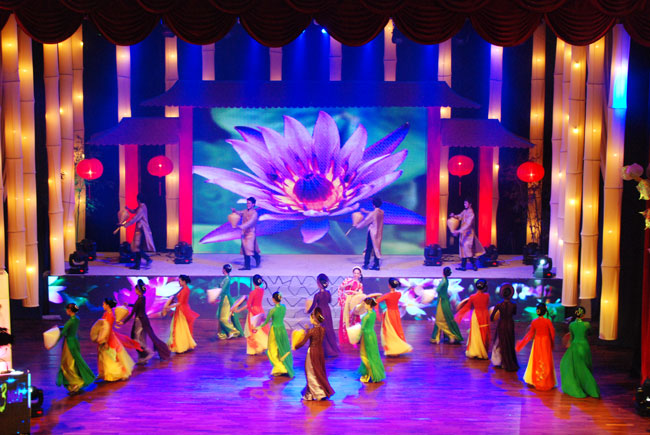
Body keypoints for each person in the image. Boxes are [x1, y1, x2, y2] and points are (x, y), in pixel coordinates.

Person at [119, 280, 171, 364]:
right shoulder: (142, 298)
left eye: (135, 289)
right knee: (139, 338)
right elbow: (136, 307)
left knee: (136, 339)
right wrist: (128, 304)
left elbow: (133, 312)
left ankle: (147, 353)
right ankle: (143, 357)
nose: (135, 291)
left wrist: (123, 322)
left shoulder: (140, 299)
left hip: (140, 320)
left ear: (138, 290)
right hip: (142, 319)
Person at [294, 308, 335, 401]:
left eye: (311, 317)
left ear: (314, 319)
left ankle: (317, 393)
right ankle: (315, 392)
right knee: (318, 372)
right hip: (320, 352)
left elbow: (302, 342)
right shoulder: (323, 329)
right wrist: (307, 329)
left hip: (312, 352)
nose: (310, 319)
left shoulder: (311, 331)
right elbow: (316, 336)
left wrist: (295, 347)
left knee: (311, 373)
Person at [97, 298, 142, 382]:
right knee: (105, 355)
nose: (102, 305)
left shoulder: (110, 316)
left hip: (108, 337)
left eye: (103, 304)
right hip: (105, 336)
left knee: (110, 355)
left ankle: (114, 374)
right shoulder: (106, 314)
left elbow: (108, 329)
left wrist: (106, 341)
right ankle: (106, 373)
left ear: (107, 305)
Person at [560, 307, 600, 398]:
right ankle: (589, 388)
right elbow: (590, 333)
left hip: (575, 347)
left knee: (577, 368)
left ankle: (579, 386)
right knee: (585, 367)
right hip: (584, 346)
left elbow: (571, 338)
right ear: (583, 315)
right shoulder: (586, 324)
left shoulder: (571, 325)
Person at [516, 302, 556, 391]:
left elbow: (530, 334)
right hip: (546, 342)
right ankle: (546, 380)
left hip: (537, 342)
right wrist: (552, 343)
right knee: (546, 359)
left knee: (536, 359)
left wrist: (522, 343)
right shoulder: (548, 321)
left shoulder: (534, 321)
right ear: (545, 311)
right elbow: (552, 333)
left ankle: (536, 379)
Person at [56, 303, 95, 394]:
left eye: (67, 309)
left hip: (69, 343)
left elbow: (63, 332)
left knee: (68, 364)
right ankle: (75, 382)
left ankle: (76, 382)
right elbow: (68, 328)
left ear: (69, 310)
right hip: (75, 340)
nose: (66, 311)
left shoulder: (70, 321)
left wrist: (53, 342)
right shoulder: (76, 319)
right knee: (75, 361)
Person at [258, 292, 294, 377]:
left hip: (275, 330)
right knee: (282, 348)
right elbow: (277, 318)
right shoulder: (283, 307)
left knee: (272, 349)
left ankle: (280, 368)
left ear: (273, 299)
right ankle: (282, 366)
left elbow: (266, 322)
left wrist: (257, 327)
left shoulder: (272, 310)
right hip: (282, 329)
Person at [376, 278, 412, 356]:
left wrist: (367, 301)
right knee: (396, 330)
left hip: (389, 314)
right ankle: (397, 349)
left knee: (390, 331)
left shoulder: (387, 295)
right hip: (396, 313)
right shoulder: (399, 294)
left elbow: (376, 302)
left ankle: (393, 349)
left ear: (389, 286)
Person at [455, 279, 490, 359]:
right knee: (483, 333)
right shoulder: (487, 296)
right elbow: (488, 304)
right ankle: (481, 352)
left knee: (475, 334)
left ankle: (475, 351)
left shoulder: (472, 297)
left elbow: (467, 307)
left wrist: (459, 315)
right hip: (484, 315)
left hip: (476, 316)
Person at [234, 274, 269, 355]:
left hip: (253, 312)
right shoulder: (262, 290)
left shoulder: (252, 293)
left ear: (253, 283)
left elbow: (248, 305)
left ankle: (254, 349)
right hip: (260, 310)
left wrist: (238, 310)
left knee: (252, 331)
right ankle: (263, 345)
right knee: (260, 329)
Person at [307, 273, 339, 357]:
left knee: (321, 330)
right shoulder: (328, 293)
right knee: (328, 329)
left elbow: (313, 305)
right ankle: (332, 349)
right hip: (327, 312)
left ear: (319, 284)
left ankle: (324, 350)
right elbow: (329, 301)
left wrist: (308, 311)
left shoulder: (317, 295)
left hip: (320, 312)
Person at [121, 193, 155, 270]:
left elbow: (135, 218)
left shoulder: (141, 208)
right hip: (140, 229)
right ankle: (138, 265)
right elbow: (134, 211)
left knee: (137, 247)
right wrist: (128, 209)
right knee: (137, 247)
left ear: (138, 200)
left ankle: (146, 260)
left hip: (142, 230)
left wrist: (124, 224)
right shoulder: (142, 206)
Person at [167, 275, 199, 354]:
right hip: (181, 309)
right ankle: (183, 344)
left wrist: (169, 306)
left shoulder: (185, 290)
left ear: (184, 282)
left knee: (180, 328)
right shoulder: (185, 289)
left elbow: (180, 303)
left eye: (180, 281)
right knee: (182, 328)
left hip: (182, 310)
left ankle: (181, 345)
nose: (179, 282)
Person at [490, 283, 519, 372]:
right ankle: (508, 362)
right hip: (510, 324)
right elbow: (514, 313)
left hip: (502, 324)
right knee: (509, 343)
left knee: (501, 342)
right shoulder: (514, 305)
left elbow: (491, 317)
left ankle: (499, 361)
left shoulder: (499, 305)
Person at [430, 267, 463, 344]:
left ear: (443, 272)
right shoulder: (446, 280)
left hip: (442, 301)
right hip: (445, 300)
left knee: (440, 319)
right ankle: (443, 337)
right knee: (444, 318)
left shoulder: (443, 281)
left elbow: (438, 290)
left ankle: (450, 336)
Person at [449, 199, 484, 271]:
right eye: (464, 203)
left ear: (470, 204)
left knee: (467, 250)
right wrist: (454, 216)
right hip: (463, 234)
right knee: (463, 250)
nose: (464, 204)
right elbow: (460, 216)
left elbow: (468, 224)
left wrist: (459, 231)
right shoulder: (465, 211)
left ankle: (474, 265)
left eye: (466, 203)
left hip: (468, 234)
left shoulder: (471, 213)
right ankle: (463, 266)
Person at [358, 298, 385, 383]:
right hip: (372, 335)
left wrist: (357, 338)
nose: (364, 306)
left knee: (365, 355)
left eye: (365, 304)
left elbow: (362, 328)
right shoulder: (373, 313)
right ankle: (374, 373)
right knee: (373, 354)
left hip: (366, 335)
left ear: (369, 305)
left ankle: (369, 374)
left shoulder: (366, 316)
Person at [215, 264, 243, 340]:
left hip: (226, 299)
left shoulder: (227, 279)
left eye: (223, 269)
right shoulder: (225, 278)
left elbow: (223, 289)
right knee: (221, 317)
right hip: (223, 298)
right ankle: (223, 333)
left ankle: (233, 331)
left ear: (224, 270)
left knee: (223, 318)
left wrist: (215, 295)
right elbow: (220, 287)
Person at [354, 197, 384, 271]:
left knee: (369, 249)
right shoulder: (381, 212)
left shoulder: (373, 214)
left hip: (372, 233)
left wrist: (357, 225)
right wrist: (365, 211)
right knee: (377, 248)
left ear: (373, 205)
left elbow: (365, 221)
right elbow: (373, 213)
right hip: (378, 233)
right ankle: (376, 265)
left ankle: (366, 264)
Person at [232, 197, 261, 270]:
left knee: (248, 249)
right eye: (247, 203)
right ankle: (250, 263)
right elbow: (240, 213)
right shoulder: (245, 211)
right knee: (246, 250)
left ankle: (252, 262)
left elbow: (250, 223)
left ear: (253, 204)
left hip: (250, 233)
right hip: (244, 233)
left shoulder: (254, 213)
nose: (247, 204)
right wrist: (235, 211)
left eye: (249, 203)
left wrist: (241, 226)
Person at [338, 267, 364, 346]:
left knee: (352, 318)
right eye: (355, 273)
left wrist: (352, 292)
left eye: (357, 273)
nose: (356, 275)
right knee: (345, 318)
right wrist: (348, 285)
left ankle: (352, 337)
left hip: (353, 302)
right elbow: (340, 288)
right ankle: (345, 337)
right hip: (346, 301)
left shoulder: (360, 284)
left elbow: (360, 294)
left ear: (360, 275)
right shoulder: (347, 280)